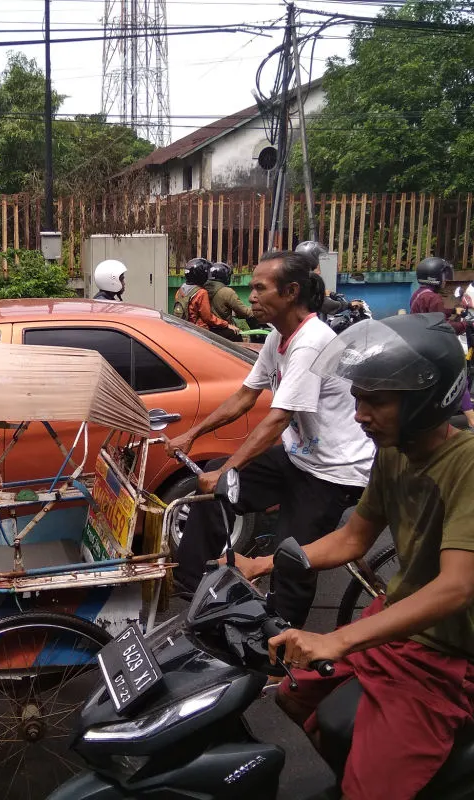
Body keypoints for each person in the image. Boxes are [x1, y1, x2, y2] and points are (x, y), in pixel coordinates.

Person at [232, 313, 474, 800]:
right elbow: (352, 540)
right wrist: (263, 564)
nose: (360, 413)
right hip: (395, 625)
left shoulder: (466, 464)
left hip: (450, 653)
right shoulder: (393, 452)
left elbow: (457, 586)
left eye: (375, 401)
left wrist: (338, 641)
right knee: (291, 696)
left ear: (427, 399)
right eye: (359, 398)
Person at [166, 250, 374, 627]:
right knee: (212, 483)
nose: (252, 297)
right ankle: (194, 588)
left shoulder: (311, 341)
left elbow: (278, 419)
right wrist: (190, 436)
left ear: (291, 291)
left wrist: (230, 469)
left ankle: (280, 649)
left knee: (291, 556)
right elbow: (245, 396)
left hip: (334, 472)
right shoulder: (280, 335)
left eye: (261, 288)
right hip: (299, 458)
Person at [409, 256, 474, 428]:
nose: (446, 280)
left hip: (421, 341)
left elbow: (432, 315)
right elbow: (443, 327)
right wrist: (465, 324)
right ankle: (472, 419)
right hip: (436, 344)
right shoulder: (435, 298)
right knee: (459, 377)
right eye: (444, 276)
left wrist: (453, 309)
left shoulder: (420, 294)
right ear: (435, 278)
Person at [173, 258, 241, 337]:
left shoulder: (180, 290)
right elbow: (208, 318)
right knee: (234, 334)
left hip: (184, 328)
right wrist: (227, 325)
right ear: (201, 275)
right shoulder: (201, 292)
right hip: (199, 331)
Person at [204, 262, 258, 340]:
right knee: (237, 337)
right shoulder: (227, 292)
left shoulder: (202, 289)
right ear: (224, 276)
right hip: (223, 330)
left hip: (206, 330)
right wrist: (258, 311)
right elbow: (244, 312)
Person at [295, 240, 349, 317]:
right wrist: (348, 305)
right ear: (310, 261)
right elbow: (324, 304)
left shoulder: (295, 276)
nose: (319, 272)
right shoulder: (304, 281)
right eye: (316, 267)